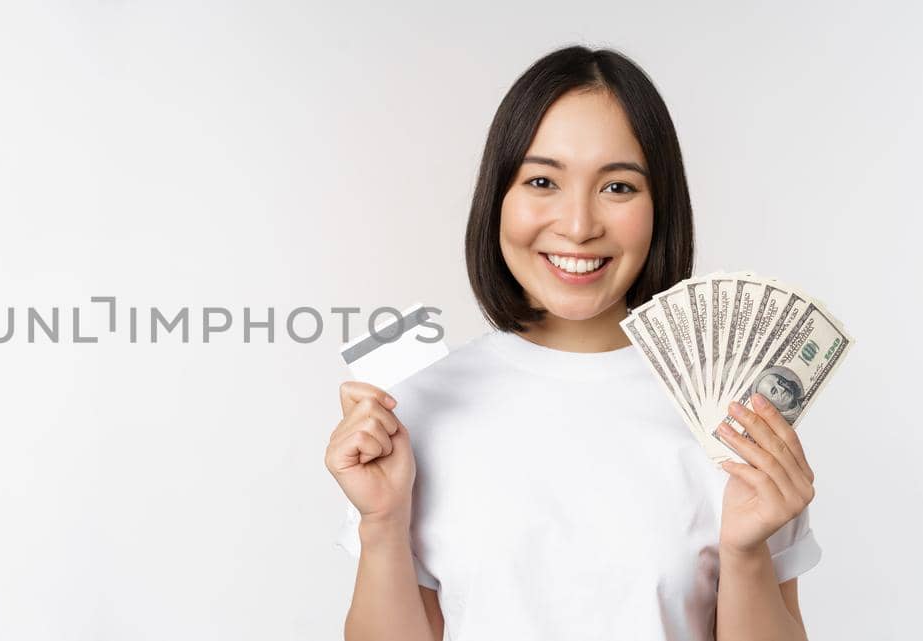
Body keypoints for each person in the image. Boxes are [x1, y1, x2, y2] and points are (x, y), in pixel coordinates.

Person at [324, 46, 821, 641]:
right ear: (497, 199)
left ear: (660, 207)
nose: (580, 225)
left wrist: (745, 553)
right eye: (542, 181)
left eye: (617, 187)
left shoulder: (734, 417)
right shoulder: (415, 409)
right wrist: (382, 523)